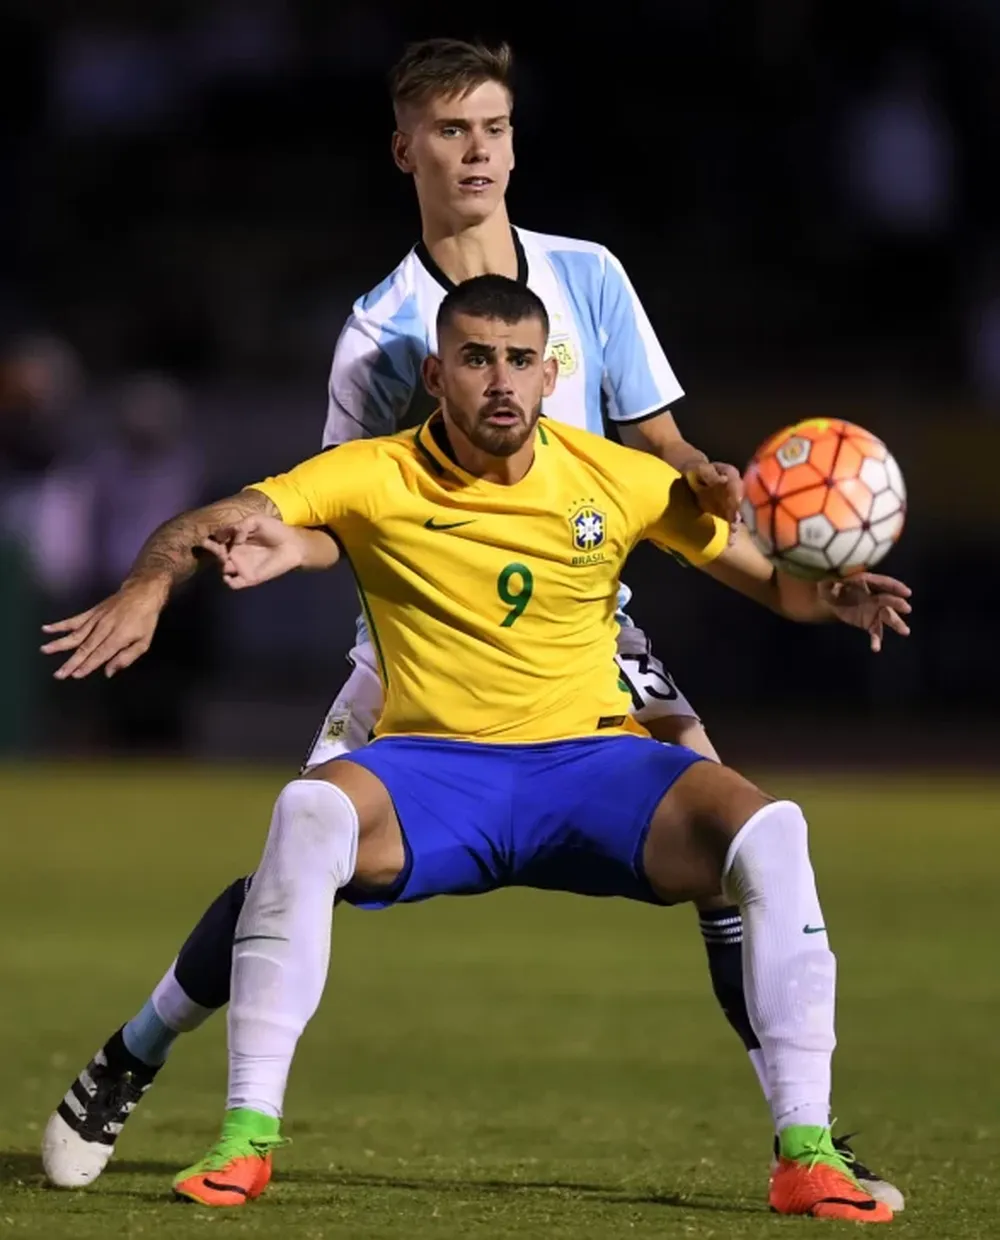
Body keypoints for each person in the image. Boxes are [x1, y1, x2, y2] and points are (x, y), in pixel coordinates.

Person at [39, 39, 902, 1208]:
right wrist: (257, 547)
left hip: (592, 617)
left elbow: (660, 447)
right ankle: (140, 1050)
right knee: (298, 864)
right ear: (407, 150)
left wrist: (718, 486)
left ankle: (809, 1138)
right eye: (451, 131)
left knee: (737, 853)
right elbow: (340, 500)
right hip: (415, 635)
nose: (478, 151)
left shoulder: (585, 275)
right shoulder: (381, 332)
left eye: (494, 127)